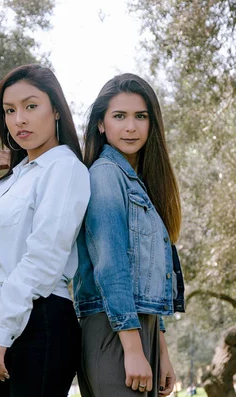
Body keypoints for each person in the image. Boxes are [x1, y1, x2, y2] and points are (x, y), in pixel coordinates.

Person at [0, 64, 91, 397]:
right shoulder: (13, 179)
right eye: (9, 111)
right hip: (1, 312)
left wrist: (3, 332)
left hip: (40, 319)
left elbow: (43, 258)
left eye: (31, 106)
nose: (19, 120)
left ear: (55, 109)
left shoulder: (64, 168)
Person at [74, 73, 185, 397]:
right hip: (113, 330)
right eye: (119, 116)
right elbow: (111, 266)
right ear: (101, 124)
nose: (130, 127)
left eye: (140, 116)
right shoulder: (106, 176)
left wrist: (160, 350)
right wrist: (133, 350)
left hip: (139, 329)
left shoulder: (139, 184)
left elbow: (145, 279)